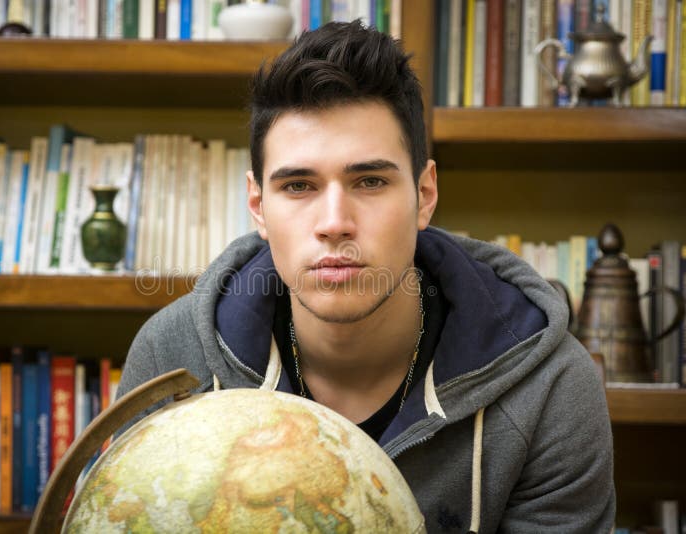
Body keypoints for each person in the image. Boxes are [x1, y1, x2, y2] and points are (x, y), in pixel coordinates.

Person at [117, 20, 615, 533]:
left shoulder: (550, 386)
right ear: (257, 206)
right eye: (298, 186)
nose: (334, 223)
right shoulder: (172, 358)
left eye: (370, 181)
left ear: (424, 195)